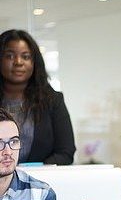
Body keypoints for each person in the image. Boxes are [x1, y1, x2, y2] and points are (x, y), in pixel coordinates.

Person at [0, 29, 75, 165]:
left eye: (26, 56)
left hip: (39, 182)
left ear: (35, 62)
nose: (18, 62)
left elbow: (65, 152)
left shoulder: (52, 101)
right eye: (10, 56)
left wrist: (32, 173)